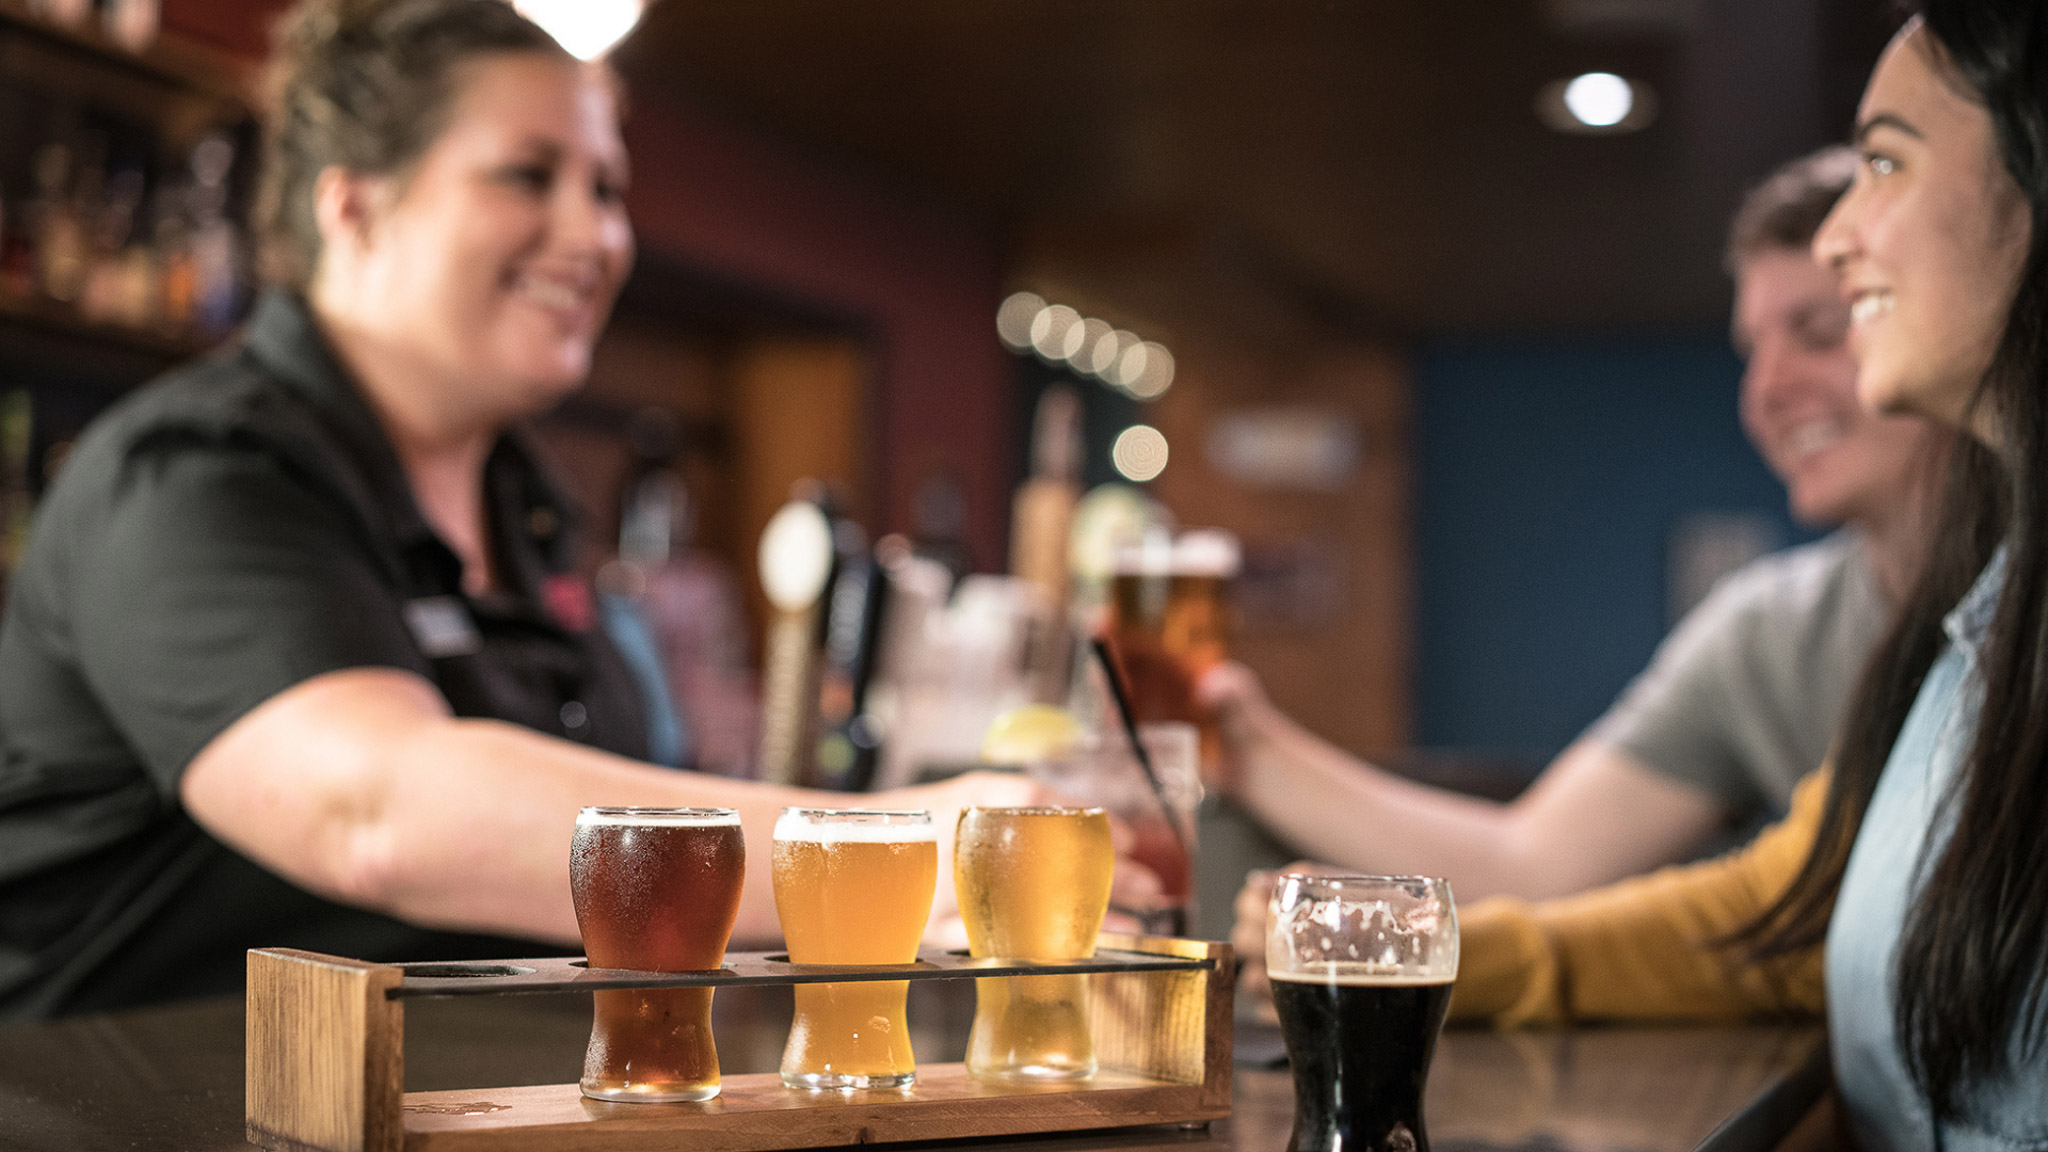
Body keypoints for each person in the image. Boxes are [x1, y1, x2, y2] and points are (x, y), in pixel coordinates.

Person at [0, 0, 1071, 1021]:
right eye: (528, 175)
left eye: (605, 188)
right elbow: (381, 809)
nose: (595, 234)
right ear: (356, 206)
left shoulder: (529, 506)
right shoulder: (193, 472)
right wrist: (894, 847)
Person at [1409, 5, 2048, 1143]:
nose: (1843, 229)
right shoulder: (1971, 625)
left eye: (1884, 161)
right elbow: (1771, 913)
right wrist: (1430, 951)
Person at [1204, 146, 1944, 905]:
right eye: (1752, 351)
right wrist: (1245, 745)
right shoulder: (1771, 634)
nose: (1767, 389)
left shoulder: (2014, 611)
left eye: (1820, 331)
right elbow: (1531, 864)